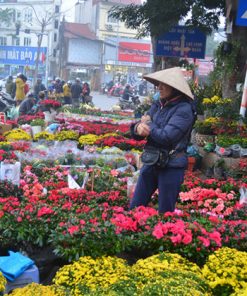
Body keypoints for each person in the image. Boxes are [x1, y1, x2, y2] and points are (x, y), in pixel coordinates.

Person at [129, 67, 195, 213]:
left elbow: (167, 137)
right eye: (159, 83)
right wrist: (138, 127)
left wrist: (149, 125)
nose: (159, 87)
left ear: (175, 88)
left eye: (164, 84)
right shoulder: (158, 104)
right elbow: (140, 129)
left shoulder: (184, 110)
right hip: (152, 161)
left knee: (165, 213)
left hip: (171, 166)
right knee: (135, 207)